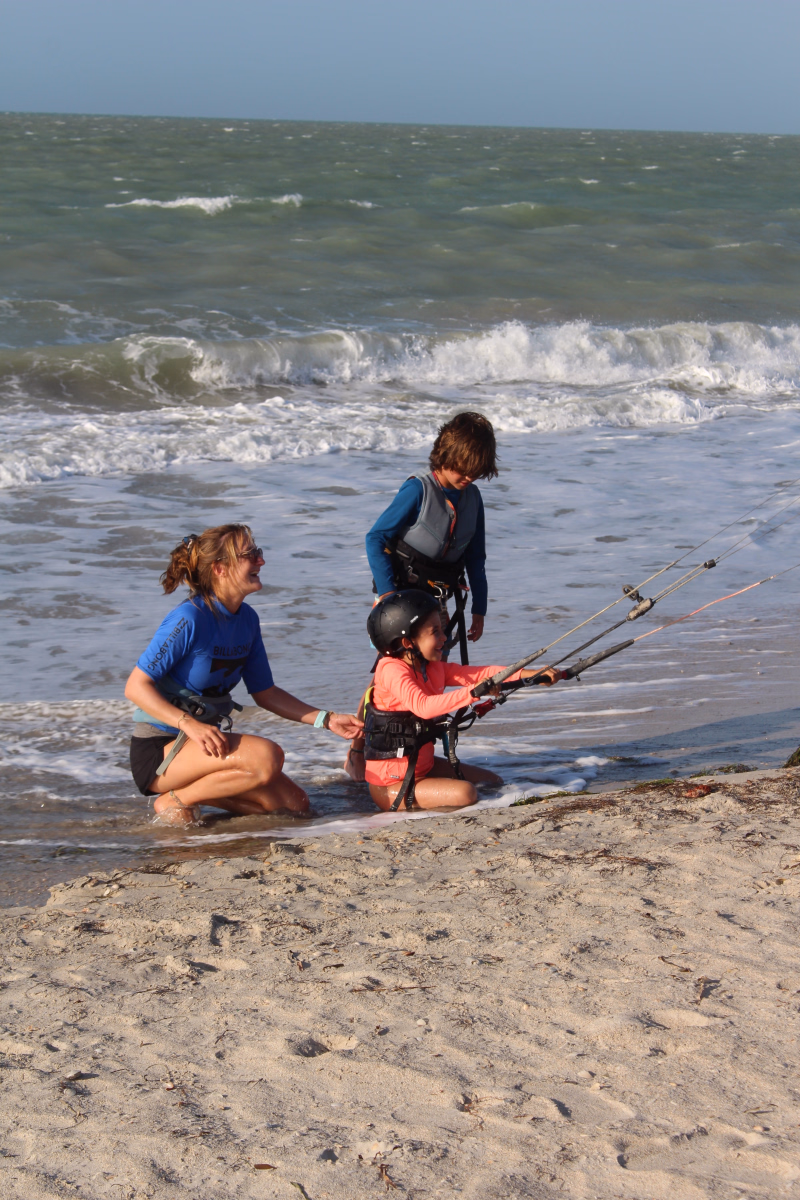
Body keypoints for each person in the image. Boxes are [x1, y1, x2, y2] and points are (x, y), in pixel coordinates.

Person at [124, 524, 363, 825]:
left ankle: (190, 794)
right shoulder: (189, 618)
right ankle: (174, 800)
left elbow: (266, 693)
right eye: (250, 555)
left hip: (203, 745)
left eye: (257, 552)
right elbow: (136, 686)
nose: (261, 560)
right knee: (267, 757)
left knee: (295, 805)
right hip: (160, 749)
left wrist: (326, 719)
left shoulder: (247, 619)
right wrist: (189, 724)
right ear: (220, 568)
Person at [345, 411, 498, 781]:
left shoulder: (473, 498)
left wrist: (480, 607)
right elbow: (375, 538)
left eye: (476, 471)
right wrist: (388, 597)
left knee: (431, 674)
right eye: (463, 468)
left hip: (438, 603)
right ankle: (360, 749)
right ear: (445, 455)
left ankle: (419, 753)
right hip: (399, 601)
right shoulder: (418, 490)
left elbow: (476, 559)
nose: (469, 477)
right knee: (388, 678)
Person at [363, 590, 560, 812]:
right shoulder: (391, 669)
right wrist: (474, 692)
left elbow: (480, 674)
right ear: (408, 641)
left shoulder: (431, 667)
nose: (444, 637)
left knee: (493, 782)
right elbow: (423, 706)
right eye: (435, 632)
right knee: (467, 793)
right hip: (390, 786)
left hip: (422, 767)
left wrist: (532, 675)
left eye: (442, 629)